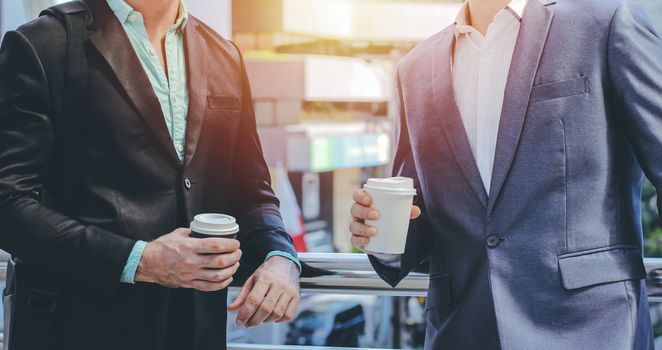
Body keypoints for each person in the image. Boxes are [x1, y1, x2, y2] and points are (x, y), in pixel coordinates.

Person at [350, 0, 662, 348]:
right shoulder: (414, 69)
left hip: (593, 330)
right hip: (463, 330)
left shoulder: (606, 21)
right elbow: (418, 213)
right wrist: (379, 233)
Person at [0, 0, 301, 349]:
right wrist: (140, 261)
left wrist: (280, 258)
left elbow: (253, 195)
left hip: (195, 333)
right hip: (77, 329)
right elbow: (7, 202)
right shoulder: (43, 44)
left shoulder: (225, 56)